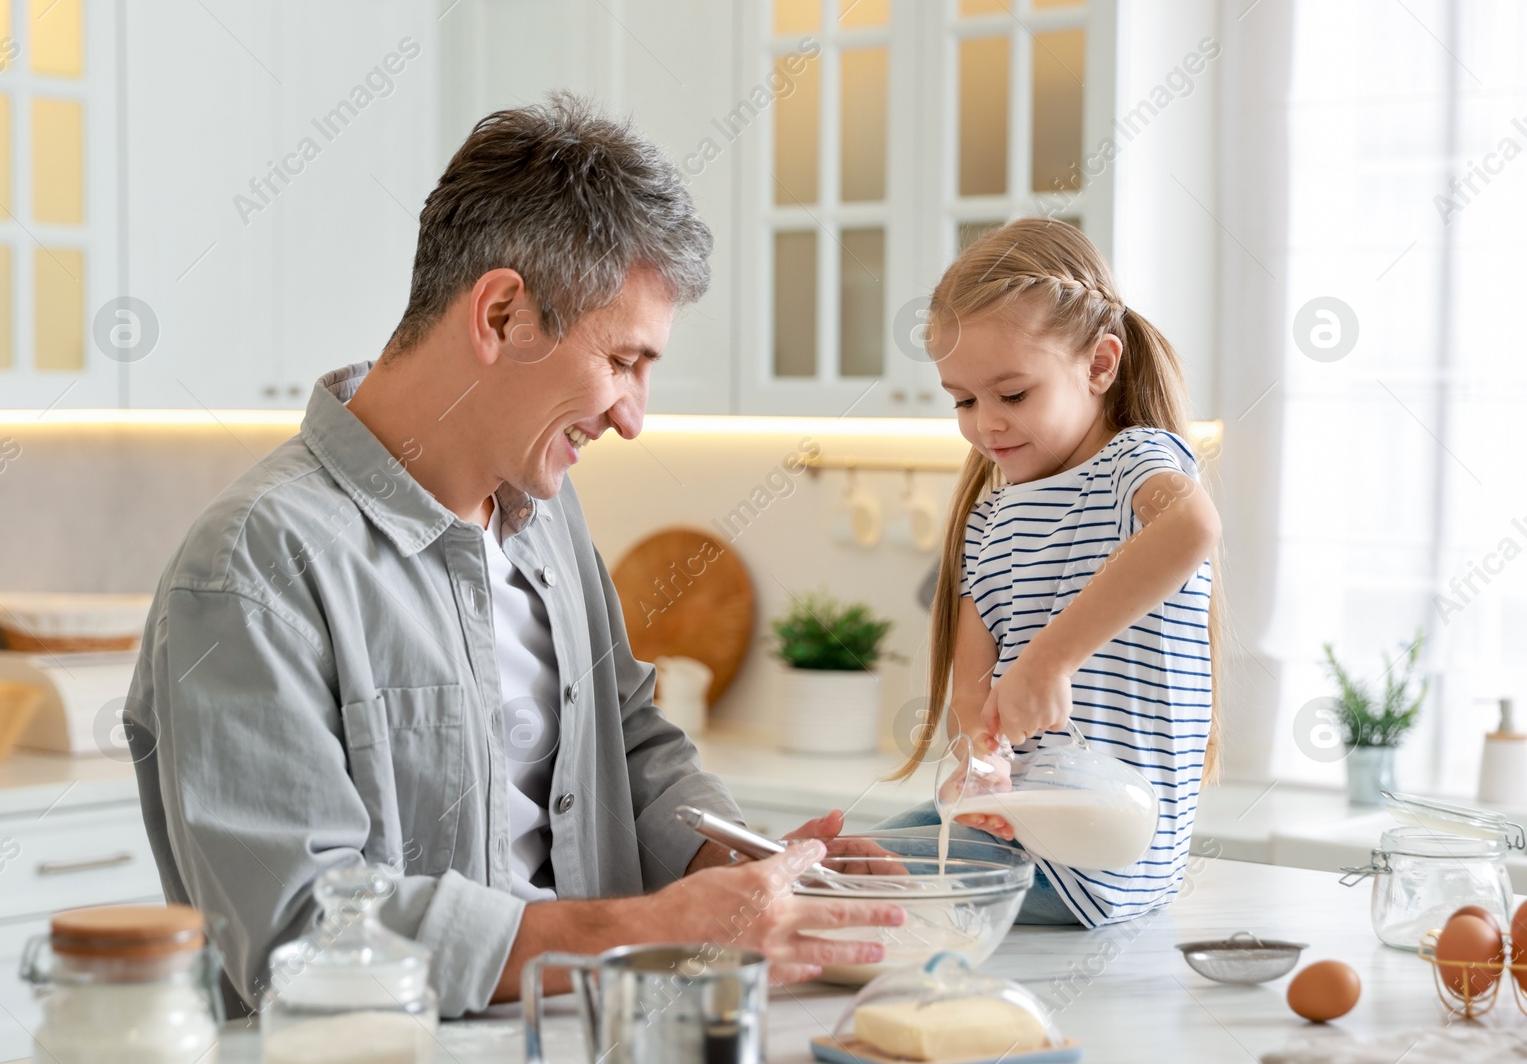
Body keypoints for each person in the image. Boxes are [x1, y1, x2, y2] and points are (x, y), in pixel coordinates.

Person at [124, 95, 905, 1018]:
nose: (633, 415)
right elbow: (295, 929)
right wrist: (648, 933)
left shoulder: (543, 509)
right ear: (500, 314)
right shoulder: (256, 564)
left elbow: (626, 736)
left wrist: (746, 870)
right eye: (623, 360)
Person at [876, 217, 1222, 928]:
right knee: (829, 865)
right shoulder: (990, 517)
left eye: (1012, 394)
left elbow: (1192, 527)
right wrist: (985, 764)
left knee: (829, 876)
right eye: (964, 400)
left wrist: (1049, 660)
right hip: (1028, 834)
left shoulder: (1136, 464)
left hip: (1099, 858)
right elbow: (976, 685)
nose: (985, 425)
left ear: (1099, 365)